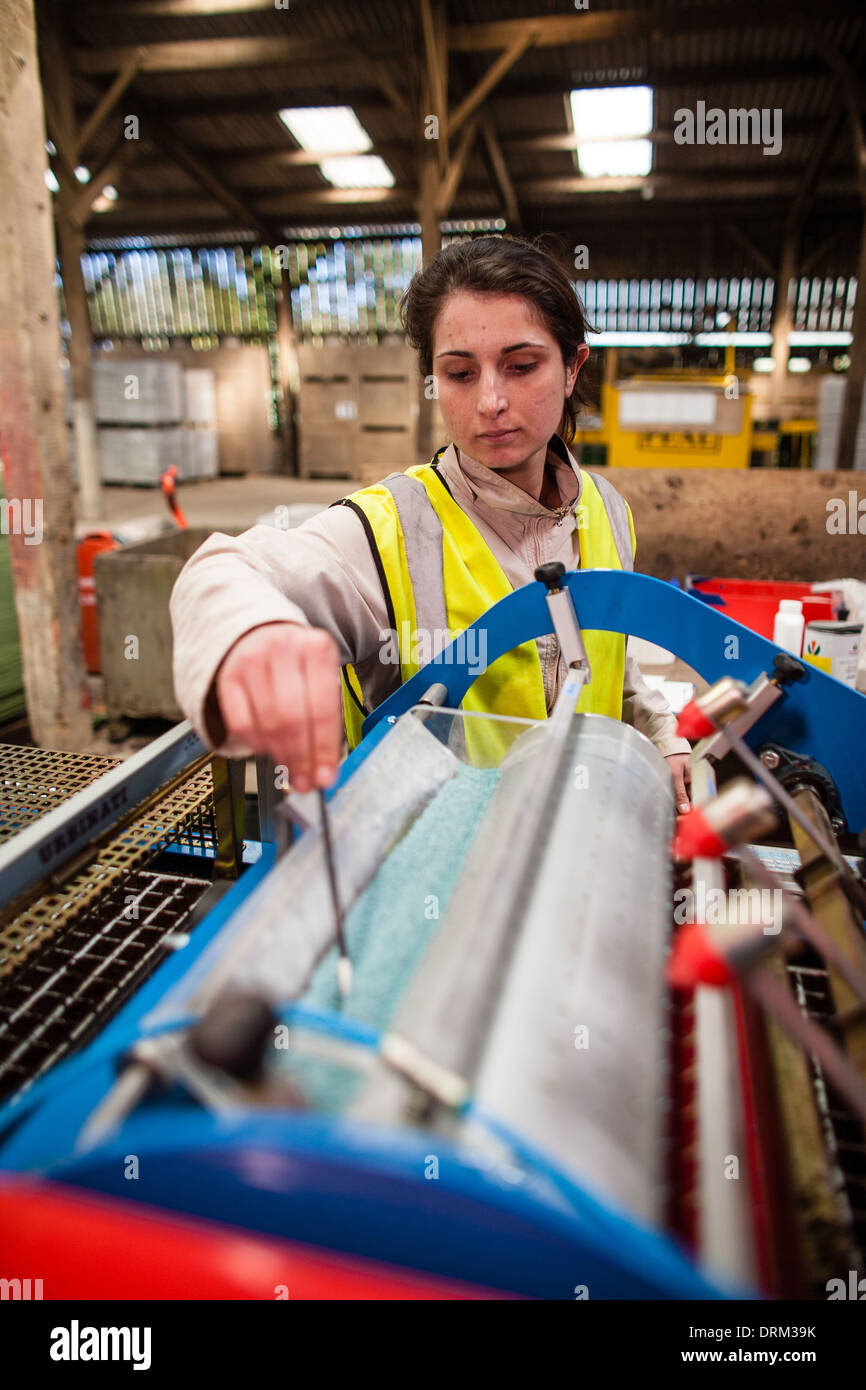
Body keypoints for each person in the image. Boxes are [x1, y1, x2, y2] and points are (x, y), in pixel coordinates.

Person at [170, 236, 692, 809]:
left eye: (521, 367)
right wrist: (251, 633)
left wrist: (661, 734)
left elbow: (604, 660)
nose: (491, 400)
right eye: (460, 374)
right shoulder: (387, 530)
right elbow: (229, 571)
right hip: (431, 870)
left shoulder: (607, 508)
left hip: (577, 845)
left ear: (573, 367)